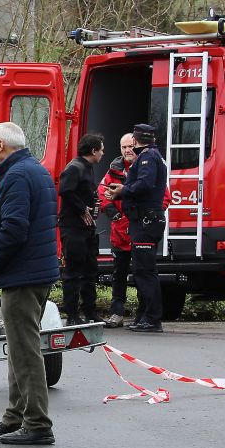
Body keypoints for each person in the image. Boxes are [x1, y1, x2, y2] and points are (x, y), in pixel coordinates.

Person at [0, 122, 60, 445]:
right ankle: (16, 415)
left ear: (0, 144)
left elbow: (13, 228)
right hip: (37, 272)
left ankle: (38, 422)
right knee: (18, 347)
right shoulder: (35, 171)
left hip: (22, 275)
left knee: (25, 351)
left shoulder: (14, 176)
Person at [106, 123, 168, 332]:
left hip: (145, 221)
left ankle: (151, 319)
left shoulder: (148, 158)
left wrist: (124, 190)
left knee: (144, 271)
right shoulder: (154, 155)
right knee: (144, 270)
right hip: (146, 220)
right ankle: (145, 317)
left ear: (135, 139)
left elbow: (145, 184)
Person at [58, 133, 104, 325]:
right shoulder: (75, 168)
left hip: (87, 229)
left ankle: (90, 311)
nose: (103, 153)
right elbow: (65, 190)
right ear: (93, 151)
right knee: (74, 272)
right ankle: (72, 314)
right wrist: (82, 208)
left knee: (90, 271)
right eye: (101, 149)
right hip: (73, 228)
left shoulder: (88, 168)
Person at [97, 133, 138, 328]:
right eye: (124, 147)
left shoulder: (146, 167)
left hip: (140, 229)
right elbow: (102, 193)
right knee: (119, 274)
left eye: (131, 146)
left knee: (142, 274)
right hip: (120, 231)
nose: (128, 150)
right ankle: (117, 313)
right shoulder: (114, 170)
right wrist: (115, 214)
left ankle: (143, 314)